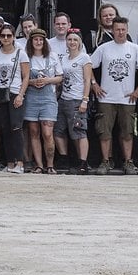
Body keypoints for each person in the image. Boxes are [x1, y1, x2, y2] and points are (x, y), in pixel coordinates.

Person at [89, 16, 138, 174]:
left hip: (127, 99)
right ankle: (105, 161)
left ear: (127, 30)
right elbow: (88, 65)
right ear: (112, 30)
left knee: (127, 132)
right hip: (106, 98)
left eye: (123, 29)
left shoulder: (134, 48)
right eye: (117, 29)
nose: (120, 32)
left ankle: (128, 162)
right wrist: (94, 84)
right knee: (104, 131)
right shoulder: (104, 48)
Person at [0, 23, 30, 174]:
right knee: (5, 128)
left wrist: (20, 95)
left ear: (13, 37)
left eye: (9, 35)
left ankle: (20, 162)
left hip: (15, 92)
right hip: (0, 92)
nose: (5, 38)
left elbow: (26, 77)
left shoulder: (20, 53)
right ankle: (10, 162)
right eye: (3, 35)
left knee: (16, 127)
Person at [24, 28, 63, 173]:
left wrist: (47, 80)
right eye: (35, 40)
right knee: (33, 132)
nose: (38, 42)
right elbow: (21, 79)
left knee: (47, 132)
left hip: (48, 98)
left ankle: (50, 164)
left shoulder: (52, 56)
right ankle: (39, 164)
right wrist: (32, 82)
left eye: (41, 40)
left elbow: (60, 77)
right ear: (31, 41)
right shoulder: (26, 57)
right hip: (31, 97)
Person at [54, 29, 93, 173]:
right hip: (63, 98)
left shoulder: (84, 58)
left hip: (77, 99)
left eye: (75, 40)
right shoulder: (63, 58)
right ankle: (64, 158)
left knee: (79, 131)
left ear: (80, 42)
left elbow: (87, 80)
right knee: (58, 130)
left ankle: (83, 162)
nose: (72, 42)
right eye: (69, 39)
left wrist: (85, 100)